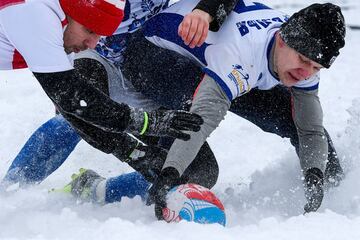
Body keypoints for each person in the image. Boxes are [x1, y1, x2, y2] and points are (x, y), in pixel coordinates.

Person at [1, 0, 239, 200]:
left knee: (198, 170)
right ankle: (11, 192)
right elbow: (73, 97)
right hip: (98, 56)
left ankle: (96, 190)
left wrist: (205, 10)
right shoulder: (35, 17)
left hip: (147, 68)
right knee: (78, 114)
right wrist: (135, 147)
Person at [127, 0, 346, 216]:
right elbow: (202, 120)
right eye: (302, 60)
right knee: (200, 170)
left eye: (316, 68)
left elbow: (310, 129)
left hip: (221, 62)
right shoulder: (241, 55)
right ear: (281, 40)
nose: (305, 73)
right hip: (150, 55)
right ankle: (128, 189)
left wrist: (316, 175)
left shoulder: (302, 54)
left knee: (294, 122)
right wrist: (171, 171)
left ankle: (333, 192)